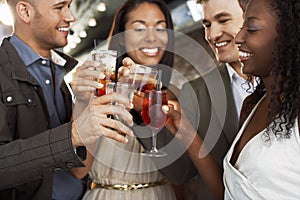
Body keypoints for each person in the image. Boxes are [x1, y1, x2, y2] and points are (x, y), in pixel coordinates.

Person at [164, 0, 300, 199]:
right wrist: (185, 132)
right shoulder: (252, 105)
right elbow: (229, 191)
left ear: (288, 36)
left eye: (251, 28)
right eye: (207, 25)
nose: (239, 37)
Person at [0, 0, 134, 199]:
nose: (71, 17)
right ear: (25, 11)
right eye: (59, 7)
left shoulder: (58, 71)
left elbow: (78, 171)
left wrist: (83, 101)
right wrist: (72, 135)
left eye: (69, 6)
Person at [70, 0, 196, 199]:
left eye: (161, 29)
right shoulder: (99, 90)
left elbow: (181, 176)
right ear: (121, 38)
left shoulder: (177, 95)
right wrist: (83, 102)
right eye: (139, 29)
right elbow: (79, 171)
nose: (152, 37)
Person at [173, 0, 254, 199]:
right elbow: (180, 173)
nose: (212, 35)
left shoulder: (285, 80)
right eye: (207, 25)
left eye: (223, 20)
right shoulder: (194, 91)